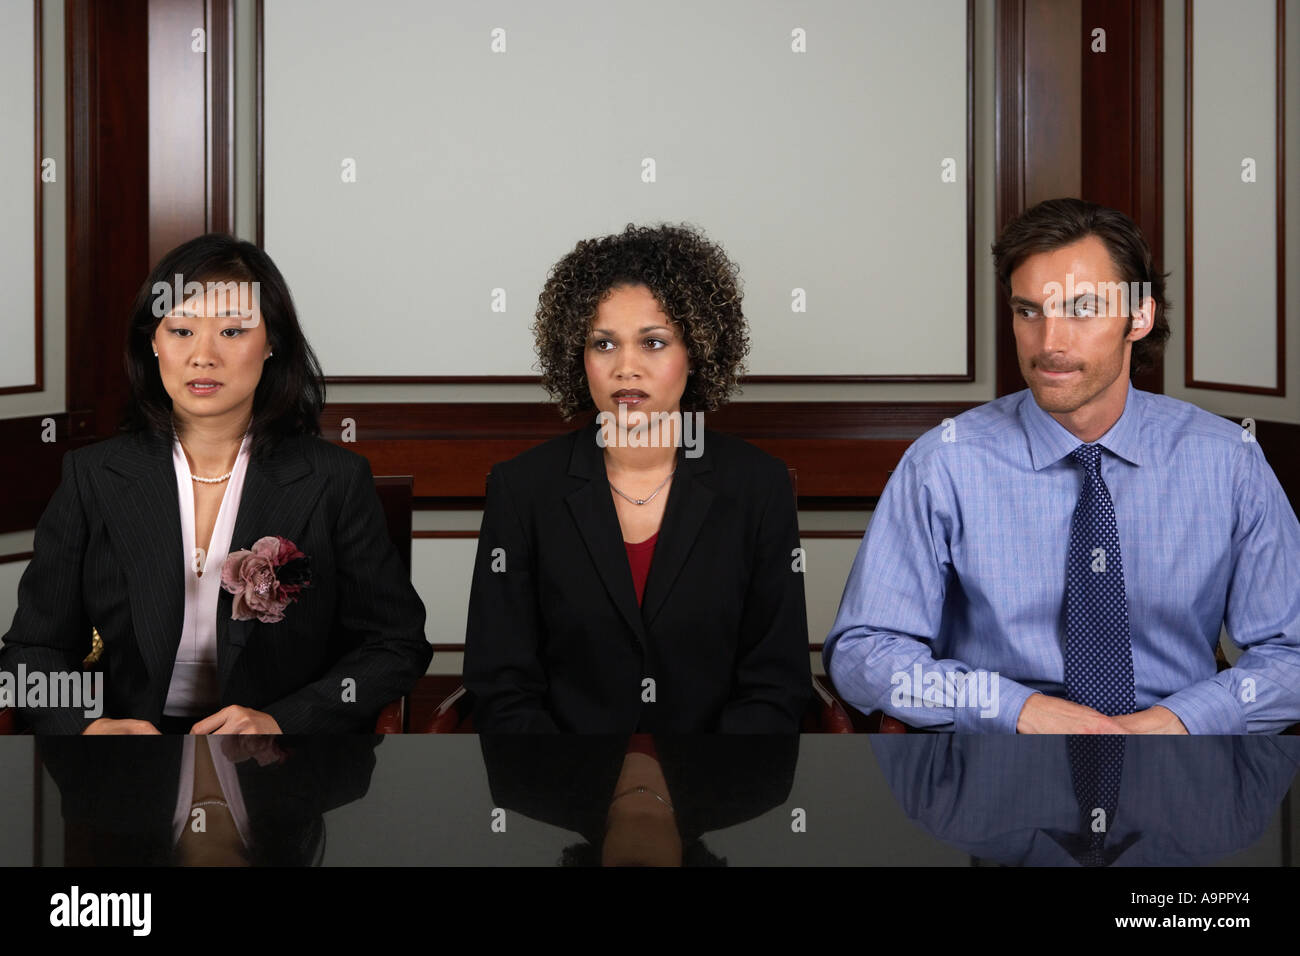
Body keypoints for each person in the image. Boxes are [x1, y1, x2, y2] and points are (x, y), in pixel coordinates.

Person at [825, 198, 1300, 734]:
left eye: (1082, 309)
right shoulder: (945, 463)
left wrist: (1180, 722)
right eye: (1029, 311)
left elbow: (1293, 656)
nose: (1050, 343)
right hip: (996, 771)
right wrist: (1015, 710)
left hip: (1178, 771)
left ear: (1138, 316)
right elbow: (863, 654)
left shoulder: (1227, 460)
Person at [0, 234, 430, 734]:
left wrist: (283, 722)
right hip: (130, 759)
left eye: (232, 331)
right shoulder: (92, 476)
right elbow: (33, 652)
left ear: (272, 342)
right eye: (181, 331)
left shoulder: (335, 479)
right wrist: (91, 727)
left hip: (278, 765)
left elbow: (394, 646)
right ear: (153, 341)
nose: (203, 356)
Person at [464, 222, 810, 732]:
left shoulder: (758, 486)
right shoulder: (522, 489)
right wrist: (584, 796)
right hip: (565, 796)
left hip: (716, 795)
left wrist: (693, 797)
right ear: (577, 357)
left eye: (653, 343)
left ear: (697, 352)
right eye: (603, 345)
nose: (626, 368)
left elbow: (775, 684)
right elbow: (502, 684)